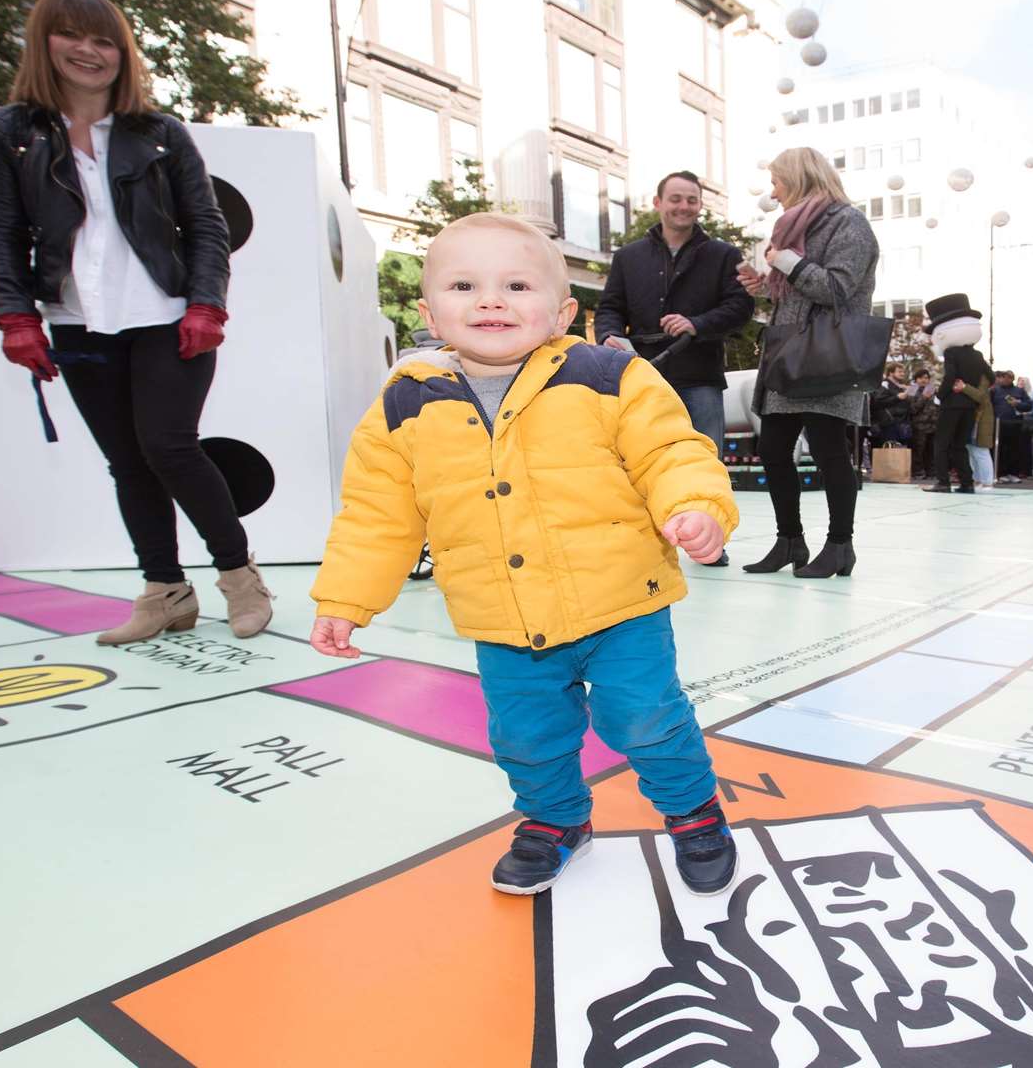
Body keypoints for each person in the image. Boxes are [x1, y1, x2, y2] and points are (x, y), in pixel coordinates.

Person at [308, 212, 740, 897]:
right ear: (427, 310)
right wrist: (345, 598)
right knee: (525, 735)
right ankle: (554, 820)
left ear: (564, 311)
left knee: (644, 718)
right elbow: (376, 514)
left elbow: (671, 449)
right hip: (501, 617)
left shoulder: (607, 375)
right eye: (463, 285)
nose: (489, 300)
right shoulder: (405, 404)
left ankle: (693, 810)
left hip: (620, 601)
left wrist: (695, 506)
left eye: (515, 284)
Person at [0, 0, 268, 646]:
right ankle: (164, 592)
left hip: (168, 315)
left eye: (104, 40)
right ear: (44, 42)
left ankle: (239, 576)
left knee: (169, 446)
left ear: (122, 53)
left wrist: (206, 302)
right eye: (72, 35)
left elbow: (207, 227)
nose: (88, 50)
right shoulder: (7, 133)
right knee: (127, 463)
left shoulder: (159, 134)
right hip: (77, 320)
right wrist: (16, 317)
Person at [595, 171, 753, 566]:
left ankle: (711, 538)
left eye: (692, 200)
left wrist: (697, 323)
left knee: (705, 454)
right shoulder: (628, 257)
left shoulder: (723, 255)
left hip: (698, 373)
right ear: (658, 203)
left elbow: (740, 307)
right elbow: (610, 307)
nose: (684, 206)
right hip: (639, 372)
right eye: (676, 199)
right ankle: (642, 538)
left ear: (700, 205)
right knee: (630, 456)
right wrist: (610, 337)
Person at [737, 147, 879, 575]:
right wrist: (762, 286)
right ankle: (790, 541)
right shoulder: (792, 226)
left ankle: (840, 545)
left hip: (827, 357)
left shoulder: (849, 224)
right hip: (790, 355)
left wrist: (787, 262)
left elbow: (838, 289)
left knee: (828, 448)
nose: (774, 191)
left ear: (799, 178)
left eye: (778, 181)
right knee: (773, 448)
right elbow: (796, 292)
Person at [922, 298, 994, 494]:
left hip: (952, 404)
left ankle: (943, 482)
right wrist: (968, 387)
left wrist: (941, 394)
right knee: (960, 445)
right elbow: (991, 376)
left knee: (942, 443)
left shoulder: (952, 352)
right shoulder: (977, 355)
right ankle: (966, 483)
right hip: (969, 405)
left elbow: (950, 376)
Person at [993, 370, 1032, 482]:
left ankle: (1013, 473)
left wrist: (1018, 404)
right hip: (999, 425)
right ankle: (1000, 473)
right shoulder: (994, 390)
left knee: (1015, 450)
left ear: (1012, 379)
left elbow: (1029, 405)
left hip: (1015, 425)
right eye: (1003, 377)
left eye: (1008, 377)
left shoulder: (1019, 391)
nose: (1005, 379)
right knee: (1000, 449)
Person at [869, 362, 914, 449]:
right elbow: (878, 401)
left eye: (903, 372)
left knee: (901, 451)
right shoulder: (885, 384)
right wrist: (897, 397)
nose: (902, 374)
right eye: (899, 372)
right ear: (891, 373)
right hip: (889, 424)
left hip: (901, 423)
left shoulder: (901, 386)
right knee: (889, 450)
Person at [908, 367, 940, 478]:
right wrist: (924, 397)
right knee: (918, 451)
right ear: (916, 379)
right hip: (919, 426)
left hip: (933, 426)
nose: (924, 380)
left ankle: (931, 472)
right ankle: (917, 472)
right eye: (921, 378)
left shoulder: (934, 390)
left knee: (931, 451)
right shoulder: (912, 390)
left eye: (926, 378)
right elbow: (913, 409)